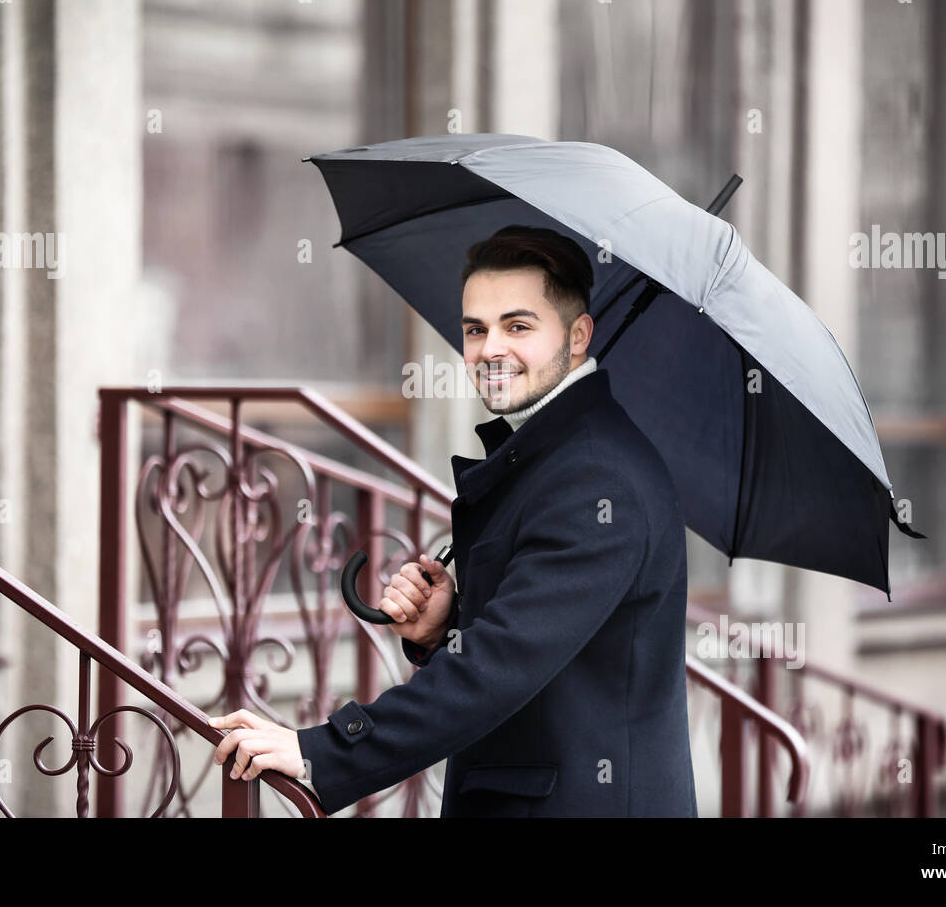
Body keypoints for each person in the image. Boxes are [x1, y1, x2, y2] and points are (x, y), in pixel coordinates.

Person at [210, 224, 696, 817]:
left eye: (518, 326)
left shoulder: (597, 478)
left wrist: (321, 751)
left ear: (578, 336)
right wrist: (447, 629)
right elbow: (544, 647)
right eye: (475, 329)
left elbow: (500, 665)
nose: (490, 349)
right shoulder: (557, 457)